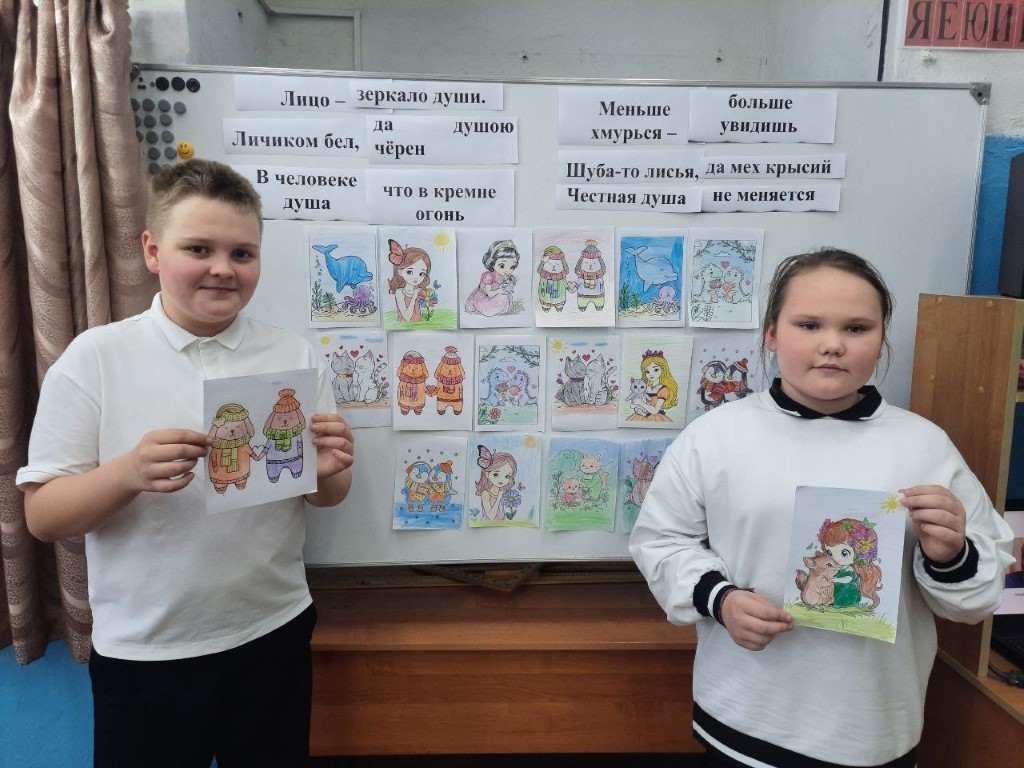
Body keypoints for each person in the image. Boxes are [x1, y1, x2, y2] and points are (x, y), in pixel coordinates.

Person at [17, 159, 355, 768]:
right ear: (152, 250)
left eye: (242, 253)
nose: (223, 268)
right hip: (147, 653)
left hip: (273, 630)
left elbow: (325, 496)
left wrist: (330, 472)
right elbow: (42, 516)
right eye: (199, 248)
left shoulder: (294, 355)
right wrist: (126, 474)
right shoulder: (96, 358)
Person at [629, 247, 1014, 768]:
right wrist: (719, 599)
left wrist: (950, 555)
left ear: (881, 340)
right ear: (771, 334)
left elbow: (975, 600)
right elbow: (660, 540)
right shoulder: (715, 437)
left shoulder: (924, 446)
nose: (832, 344)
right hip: (745, 714)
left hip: (873, 724)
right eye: (808, 325)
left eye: (856, 328)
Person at [464, 238, 520, 316]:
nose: (507, 270)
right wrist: (500, 290)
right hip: (485, 300)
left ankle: (500, 308)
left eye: (512, 267)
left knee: (504, 297)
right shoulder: (488, 276)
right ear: (492, 263)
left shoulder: (505, 275)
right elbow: (489, 293)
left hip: (498, 298)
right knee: (501, 297)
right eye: (502, 266)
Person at [625, 350, 678, 423]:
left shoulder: (663, 390)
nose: (651, 374)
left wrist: (640, 403)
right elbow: (633, 404)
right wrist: (634, 403)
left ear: (662, 370)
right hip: (639, 414)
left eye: (655, 370)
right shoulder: (644, 387)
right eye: (647, 371)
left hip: (655, 417)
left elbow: (655, 411)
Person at [387, 238, 431, 323]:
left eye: (421, 274)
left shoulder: (419, 291)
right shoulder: (400, 292)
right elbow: (407, 317)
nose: (416, 277)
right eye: (409, 272)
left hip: (419, 327)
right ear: (400, 271)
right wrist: (414, 296)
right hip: (403, 326)